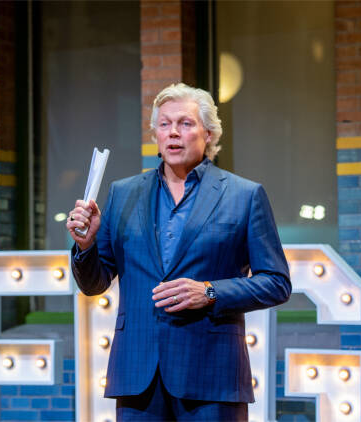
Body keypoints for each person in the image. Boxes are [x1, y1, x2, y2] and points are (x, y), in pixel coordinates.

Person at [66, 83, 291, 421]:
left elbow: (276, 282)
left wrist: (209, 292)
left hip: (212, 375)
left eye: (185, 124)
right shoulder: (122, 194)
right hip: (137, 375)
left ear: (208, 134)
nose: (173, 132)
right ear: (155, 134)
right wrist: (86, 245)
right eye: (164, 124)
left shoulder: (243, 195)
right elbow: (94, 284)